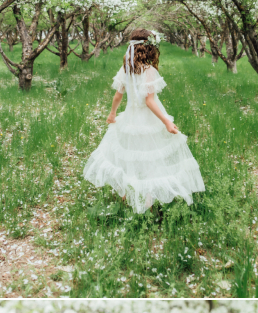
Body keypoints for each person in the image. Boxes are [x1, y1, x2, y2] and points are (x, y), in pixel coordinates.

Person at [82, 31, 205, 213]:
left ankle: (125, 197)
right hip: (147, 120)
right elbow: (149, 101)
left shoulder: (126, 69)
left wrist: (112, 114)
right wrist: (166, 122)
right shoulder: (149, 71)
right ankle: (147, 202)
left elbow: (118, 95)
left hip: (129, 119)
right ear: (148, 49)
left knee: (128, 156)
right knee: (150, 160)